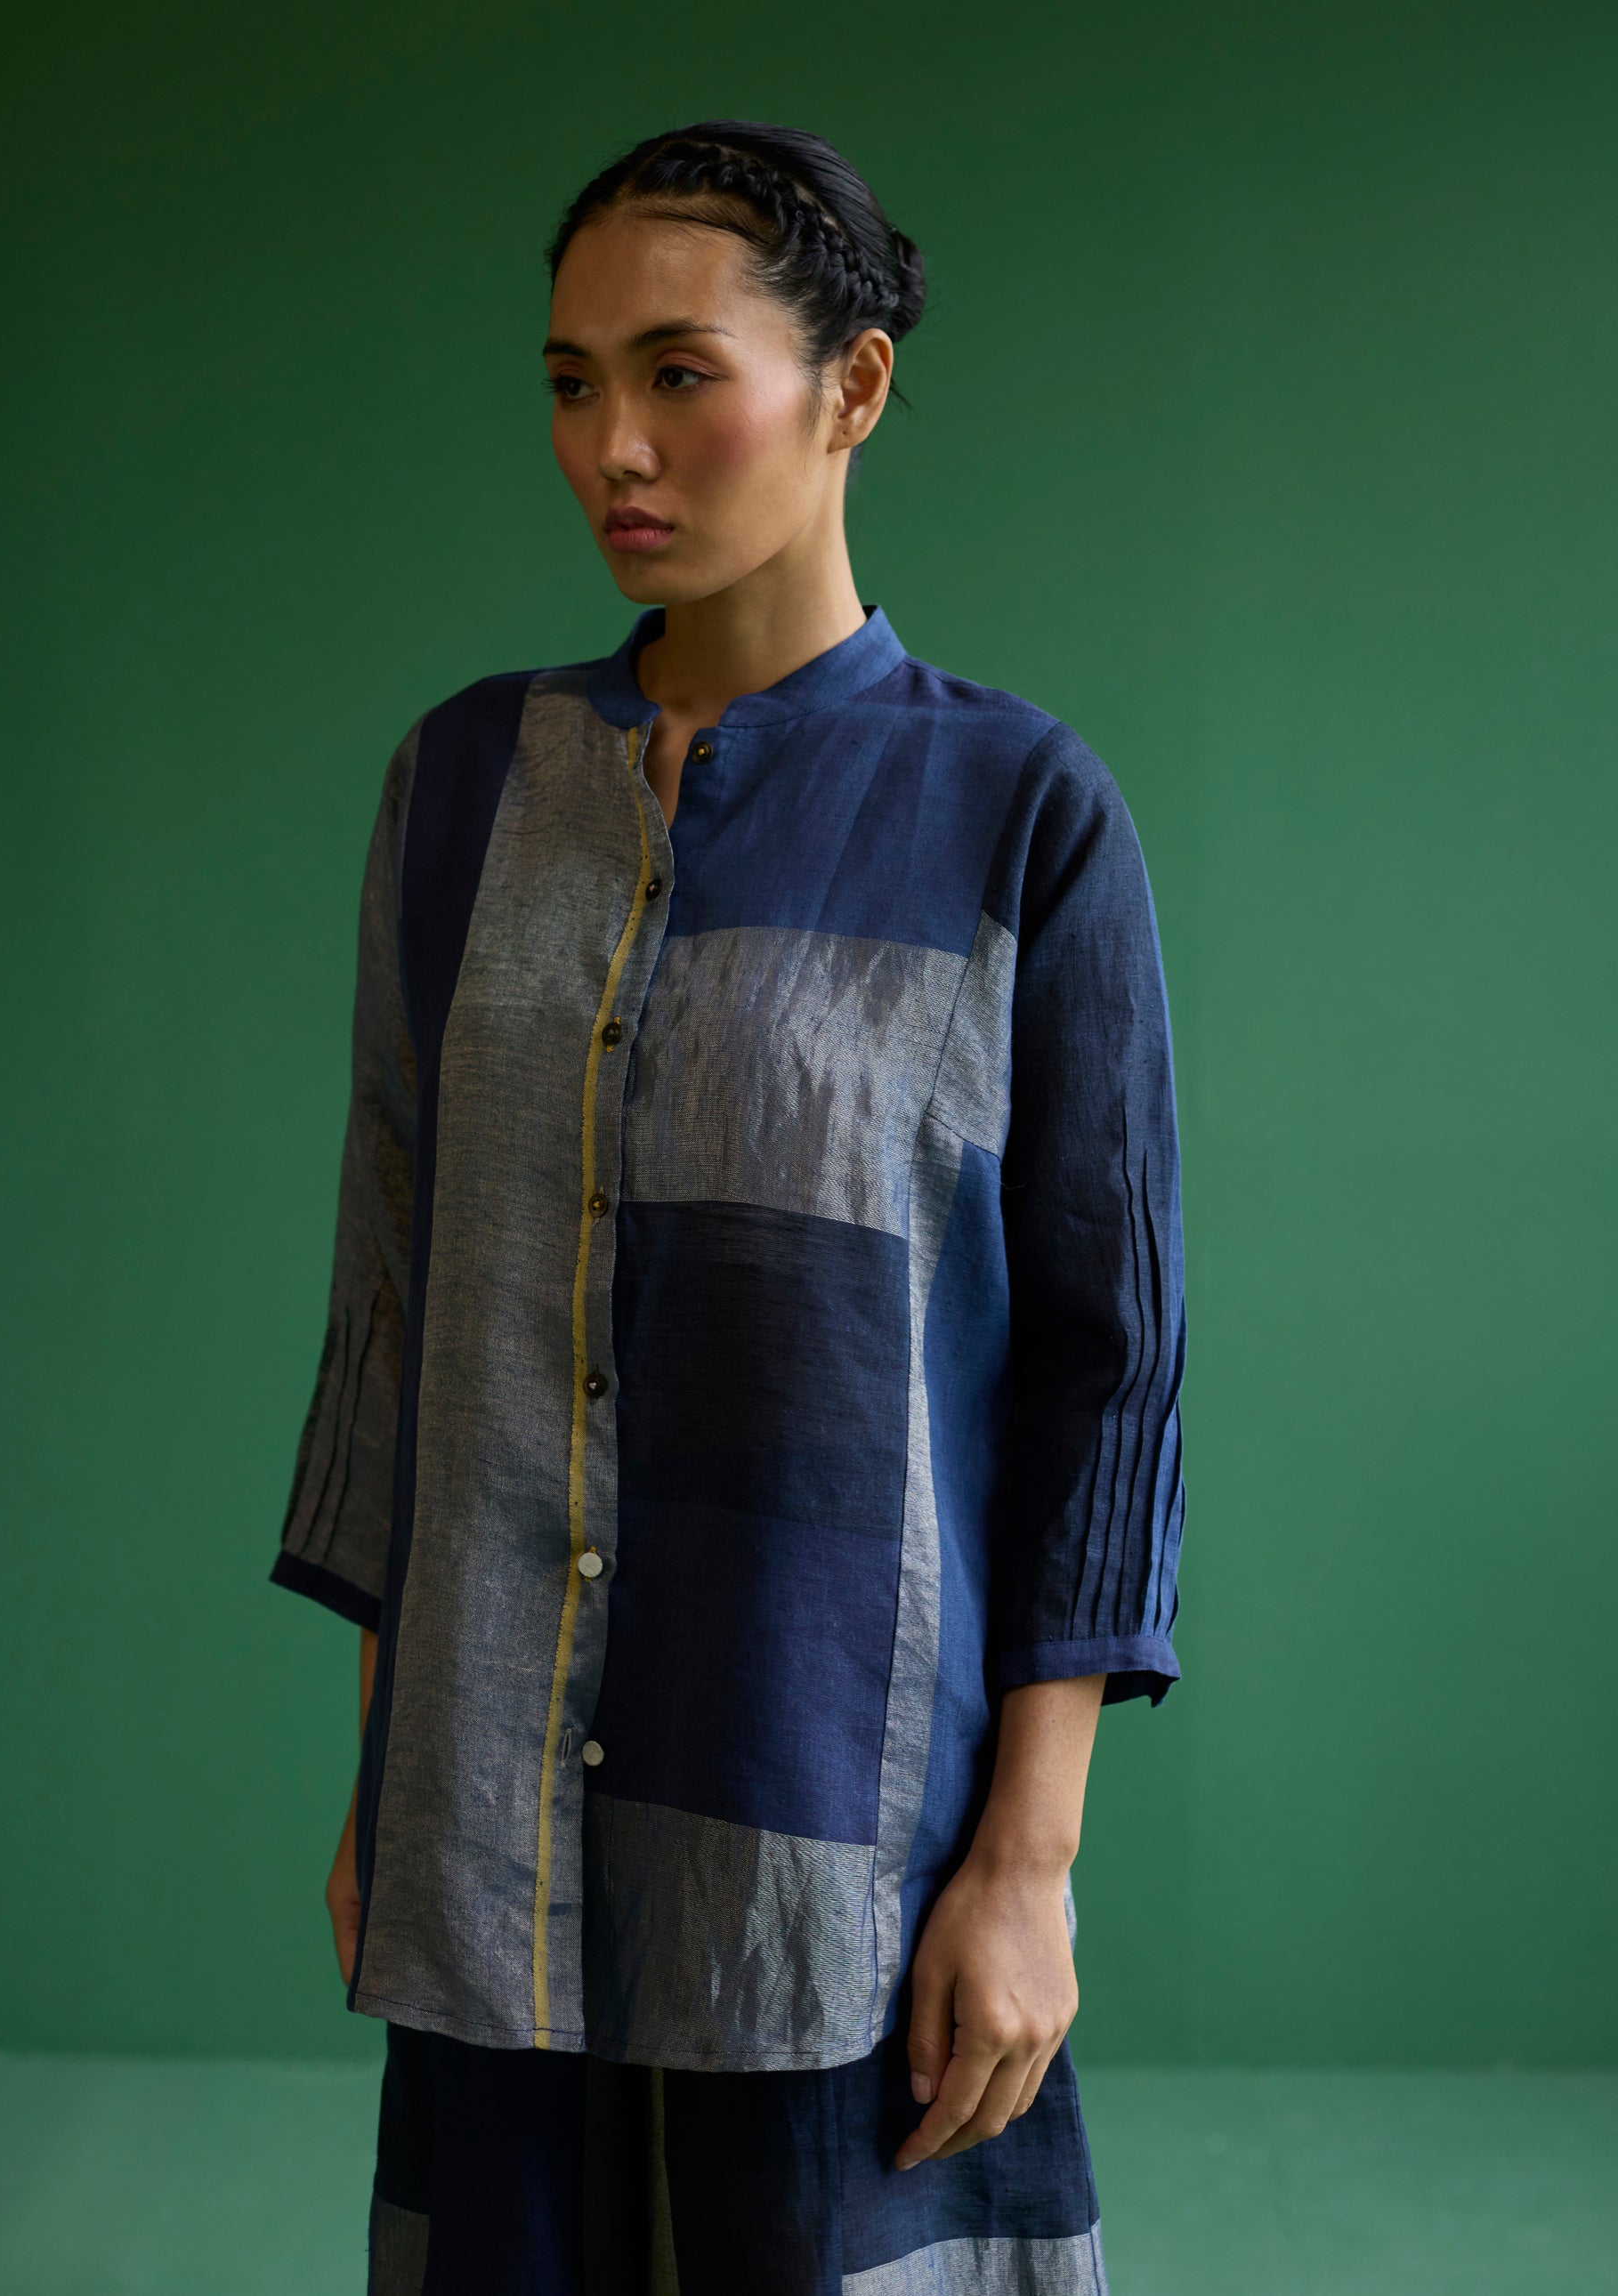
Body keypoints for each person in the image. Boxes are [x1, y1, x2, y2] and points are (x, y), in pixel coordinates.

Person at [272, 119, 1186, 2295]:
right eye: (572, 382)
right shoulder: (463, 788)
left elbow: (1105, 1372)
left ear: (852, 386)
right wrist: (394, 1773)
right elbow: (397, 1304)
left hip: (833, 1824)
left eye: (679, 374)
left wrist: (1027, 1868)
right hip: (489, 1815)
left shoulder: (1017, 810)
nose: (613, 444)